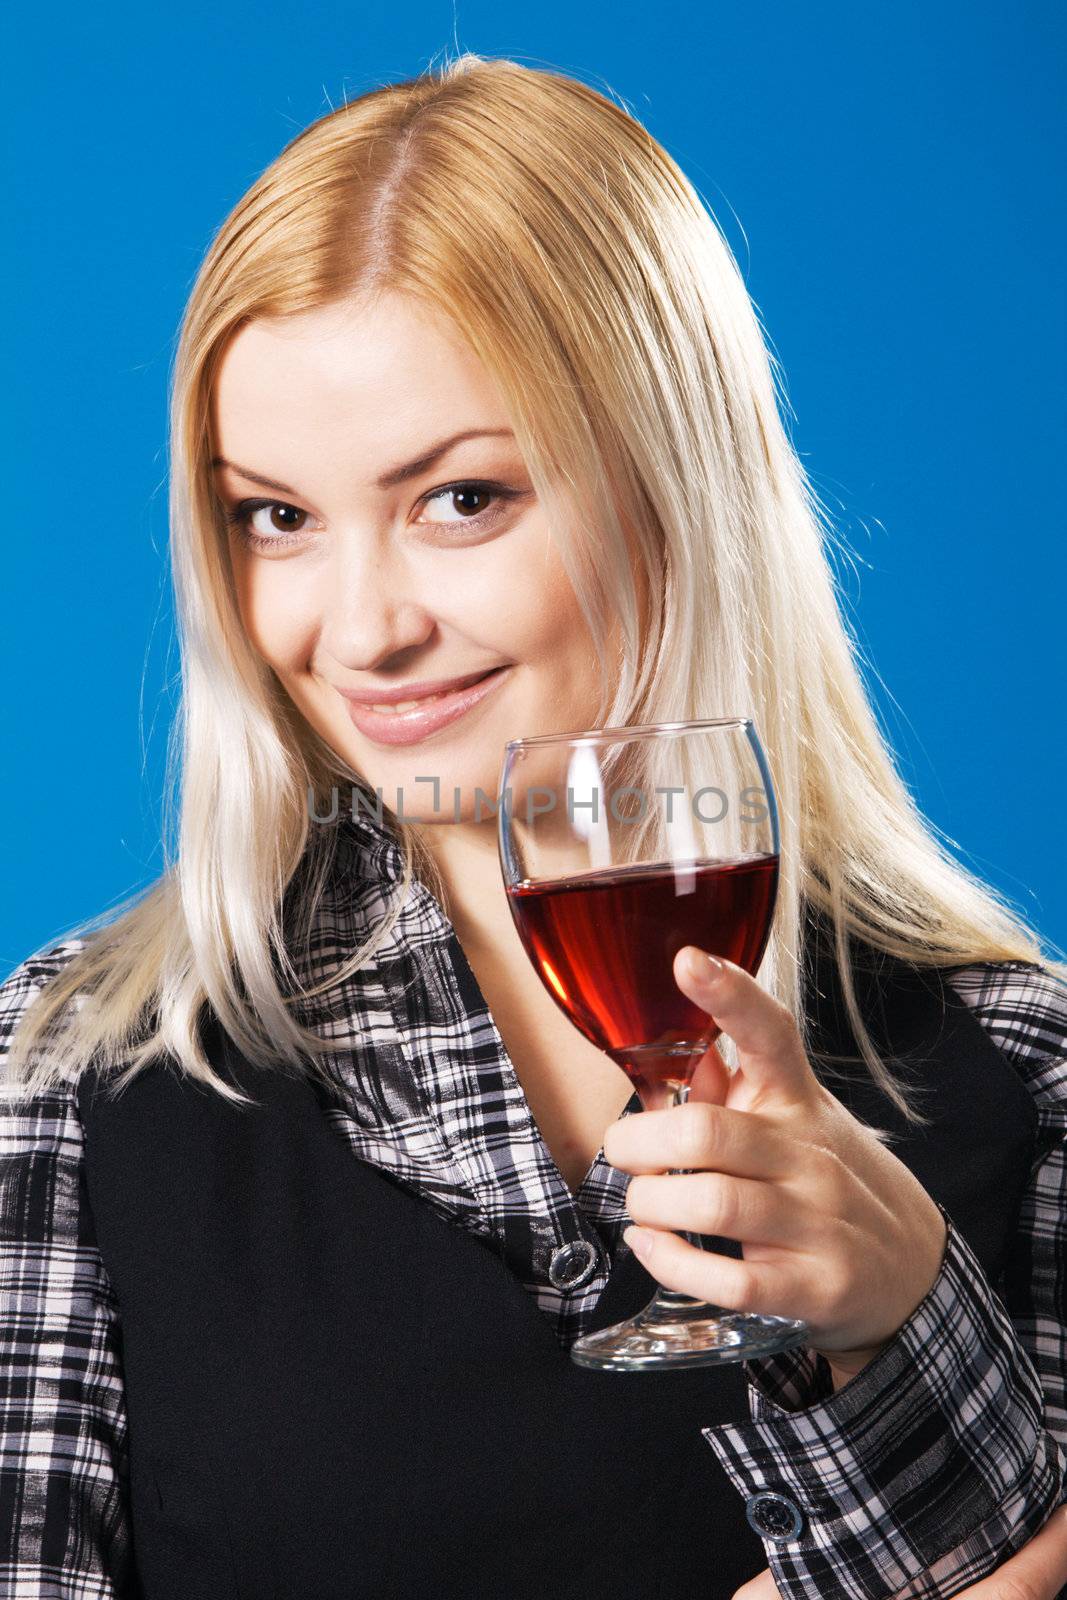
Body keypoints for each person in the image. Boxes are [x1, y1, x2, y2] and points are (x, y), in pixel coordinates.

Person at [1, 52, 1065, 1600]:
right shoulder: (72, 1077)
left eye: (462, 499)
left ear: (673, 489)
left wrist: (907, 1321)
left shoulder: (1021, 1067)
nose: (360, 632)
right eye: (275, 517)